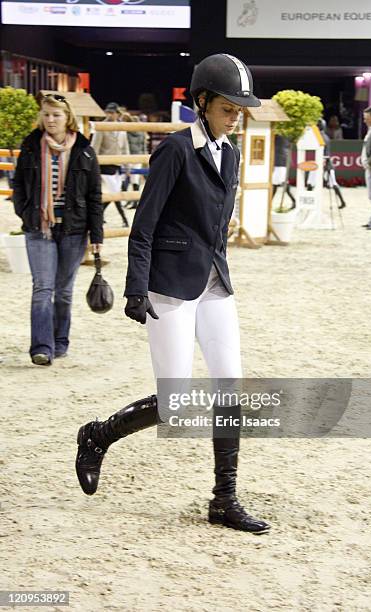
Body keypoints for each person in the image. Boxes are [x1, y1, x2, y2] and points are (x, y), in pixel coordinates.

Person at [75, 53, 270, 534]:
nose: (235, 118)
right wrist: (135, 287)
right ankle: (97, 436)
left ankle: (224, 499)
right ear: (201, 102)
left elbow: (217, 228)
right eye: (228, 108)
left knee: (230, 384)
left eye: (239, 111)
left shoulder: (230, 152)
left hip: (214, 282)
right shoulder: (176, 151)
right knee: (176, 399)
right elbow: (144, 226)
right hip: (170, 284)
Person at [13, 93, 103, 365]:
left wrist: (96, 236)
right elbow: (18, 185)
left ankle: (60, 341)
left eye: (56, 114)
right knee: (42, 287)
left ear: (68, 118)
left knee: (64, 290)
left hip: (74, 231)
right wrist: (25, 212)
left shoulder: (84, 151)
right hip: (39, 229)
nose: (50, 119)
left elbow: (94, 196)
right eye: (47, 114)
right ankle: (41, 347)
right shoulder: (30, 146)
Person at [91, 102, 130, 228]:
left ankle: (100, 216)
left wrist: (127, 166)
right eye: (108, 112)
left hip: (117, 165)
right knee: (116, 193)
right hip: (105, 165)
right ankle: (125, 219)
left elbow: (125, 148)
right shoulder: (102, 126)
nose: (109, 114)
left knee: (114, 194)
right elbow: (95, 147)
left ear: (117, 114)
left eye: (112, 112)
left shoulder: (122, 128)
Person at [120, 112, 148, 210]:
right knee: (135, 180)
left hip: (129, 156)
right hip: (139, 156)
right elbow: (144, 145)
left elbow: (124, 146)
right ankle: (134, 201)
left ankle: (131, 200)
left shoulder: (126, 132)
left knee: (126, 178)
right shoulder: (142, 132)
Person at [272, 134, 296, 209]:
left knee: (280, 184)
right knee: (275, 184)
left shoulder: (279, 135)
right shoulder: (285, 135)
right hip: (281, 161)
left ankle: (294, 201)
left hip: (281, 162)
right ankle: (269, 202)